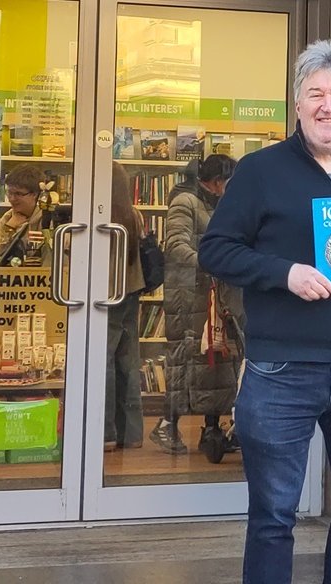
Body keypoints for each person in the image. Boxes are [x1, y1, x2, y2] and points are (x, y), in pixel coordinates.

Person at [198, 40, 331, 584]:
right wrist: (284, 273)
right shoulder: (260, 170)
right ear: (297, 105)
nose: (328, 105)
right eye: (315, 93)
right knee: (273, 515)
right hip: (280, 371)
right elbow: (215, 249)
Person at [149, 154, 245, 463]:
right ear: (218, 182)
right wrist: (210, 262)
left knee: (215, 362)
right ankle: (168, 423)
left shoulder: (218, 203)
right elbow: (176, 245)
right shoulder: (186, 202)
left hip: (213, 294)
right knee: (186, 361)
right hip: (188, 295)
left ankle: (210, 429)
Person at [105, 162, 147, 451]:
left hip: (105, 294)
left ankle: (105, 431)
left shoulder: (100, 216)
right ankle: (130, 433)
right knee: (128, 361)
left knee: (102, 362)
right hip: (131, 290)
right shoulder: (134, 215)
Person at [0, 164, 46, 257]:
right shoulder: (7, 219)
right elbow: (1, 260)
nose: (12, 198)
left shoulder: (47, 219)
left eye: (18, 194)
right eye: (9, 192)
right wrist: (10, 229)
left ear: (34, 194)